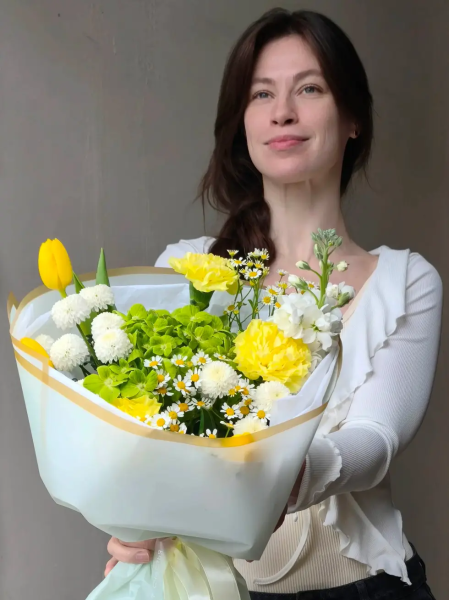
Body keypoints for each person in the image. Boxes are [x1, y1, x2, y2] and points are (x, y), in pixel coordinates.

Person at [105, 8, 442, 599]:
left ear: (353, 118)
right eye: (262, 94)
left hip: (364, 590)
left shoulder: (404, 280)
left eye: (309, 88)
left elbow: (377, 438)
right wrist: (133, 528)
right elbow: (147, 435)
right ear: (242, 123)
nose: (282, 111)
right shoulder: (187, 272)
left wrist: (292, 474)